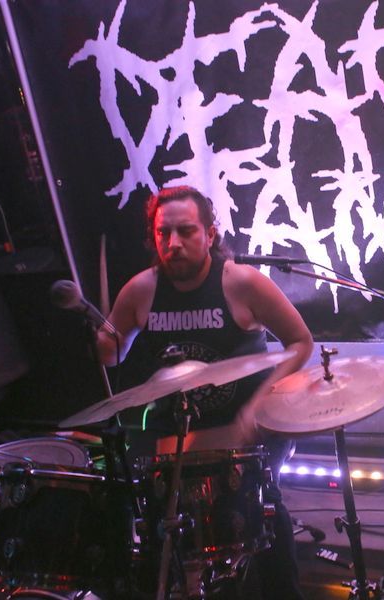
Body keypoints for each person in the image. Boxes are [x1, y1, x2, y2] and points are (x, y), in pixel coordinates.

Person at [96, 185, 313, 599]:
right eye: (163, 233)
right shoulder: (141, 289)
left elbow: (301, 342)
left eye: (186, 231)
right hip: (176, 435)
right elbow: (112, 353)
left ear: (210, 234)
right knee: (158, 524)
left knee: (263, 513)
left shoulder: (241, 283)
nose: (173, 243)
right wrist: (103, 339)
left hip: (244, 432)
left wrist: (259, 405)